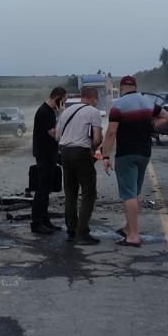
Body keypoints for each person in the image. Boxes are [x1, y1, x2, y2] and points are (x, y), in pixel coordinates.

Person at [101, 75, 168, 247]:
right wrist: (152, 126)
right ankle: (128, 228)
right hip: (144, 153)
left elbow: (111, 132)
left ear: (121, 87)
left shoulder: (118, 105)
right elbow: (166, 116)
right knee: (135, 192)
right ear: (135, 87)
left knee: (128, 194)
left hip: (126, 154)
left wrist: (105, 155)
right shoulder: (147, 102)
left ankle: (133, 235)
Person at [56, 87, 103, 245]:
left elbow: (58, 136)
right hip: (81, 153)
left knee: (70, 193)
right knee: (89, 193)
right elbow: (97, 139)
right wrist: (95, 150)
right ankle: (82, 233)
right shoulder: (93, 112)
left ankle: (71, 229)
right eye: (97, 99)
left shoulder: (66, 112)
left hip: (65, 153)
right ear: (93, 98)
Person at [31, 86, 67, 234]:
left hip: (49, 153)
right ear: (58, 99)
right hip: (44, 154)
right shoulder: (45, 112)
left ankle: (45, 220)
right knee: (42, 190)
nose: (64, 104)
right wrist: (61, 115)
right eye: (63, 101)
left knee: (46, 189)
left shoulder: (49, 111)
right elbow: (55, 134)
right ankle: (37, 223)